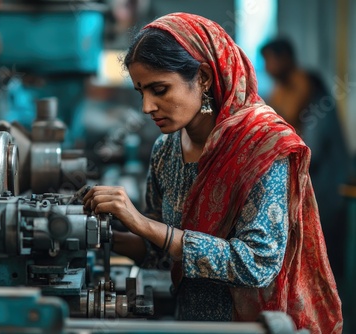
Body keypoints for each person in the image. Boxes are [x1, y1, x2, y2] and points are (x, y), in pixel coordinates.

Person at [83, 12, 343, 334]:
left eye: (159, 90)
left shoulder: (261, 148)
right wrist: (96, 236)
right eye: (141, 92)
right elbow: (163, 252)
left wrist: (143, 224)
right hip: (190, 323)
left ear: (203, 77)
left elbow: (257, 263)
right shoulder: (166, 151)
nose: (147, 107)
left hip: (250, 325)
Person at [261, 38, 350, 281]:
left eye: (270, 60)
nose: (268, 67)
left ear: (286, 58)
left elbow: (314, 147)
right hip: (310, 182)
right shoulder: (280, 90)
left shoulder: (311, 90)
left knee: (327, 251)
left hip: (328, 185)